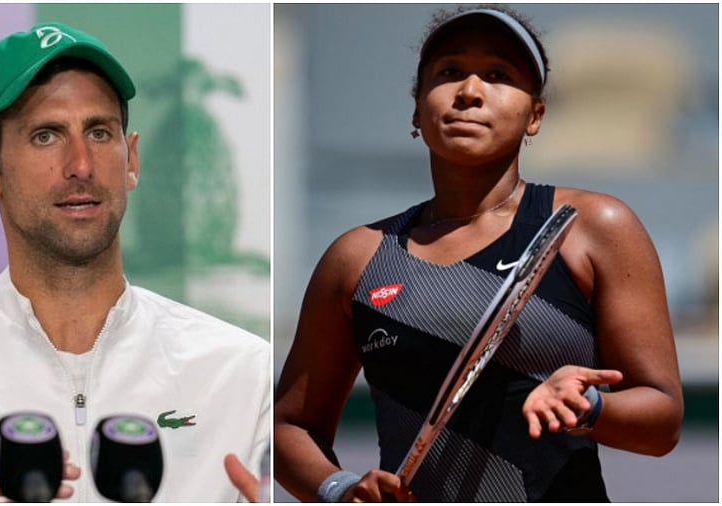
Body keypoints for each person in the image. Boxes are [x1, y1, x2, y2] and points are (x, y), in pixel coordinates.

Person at [0, 22, 269, 503]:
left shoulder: (242, 372)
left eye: (99, 132)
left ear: (132, 159)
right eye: (45, 136)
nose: (80, 164)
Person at [273, 5, 683, 502]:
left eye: (498, 75)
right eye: (448, 73)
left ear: (535, 116)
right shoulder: (356, 258)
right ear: (416, 110)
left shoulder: (592, 226)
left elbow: (662, 420)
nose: (469, 92)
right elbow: (290, 427)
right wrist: (339, 489)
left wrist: (587, 405)